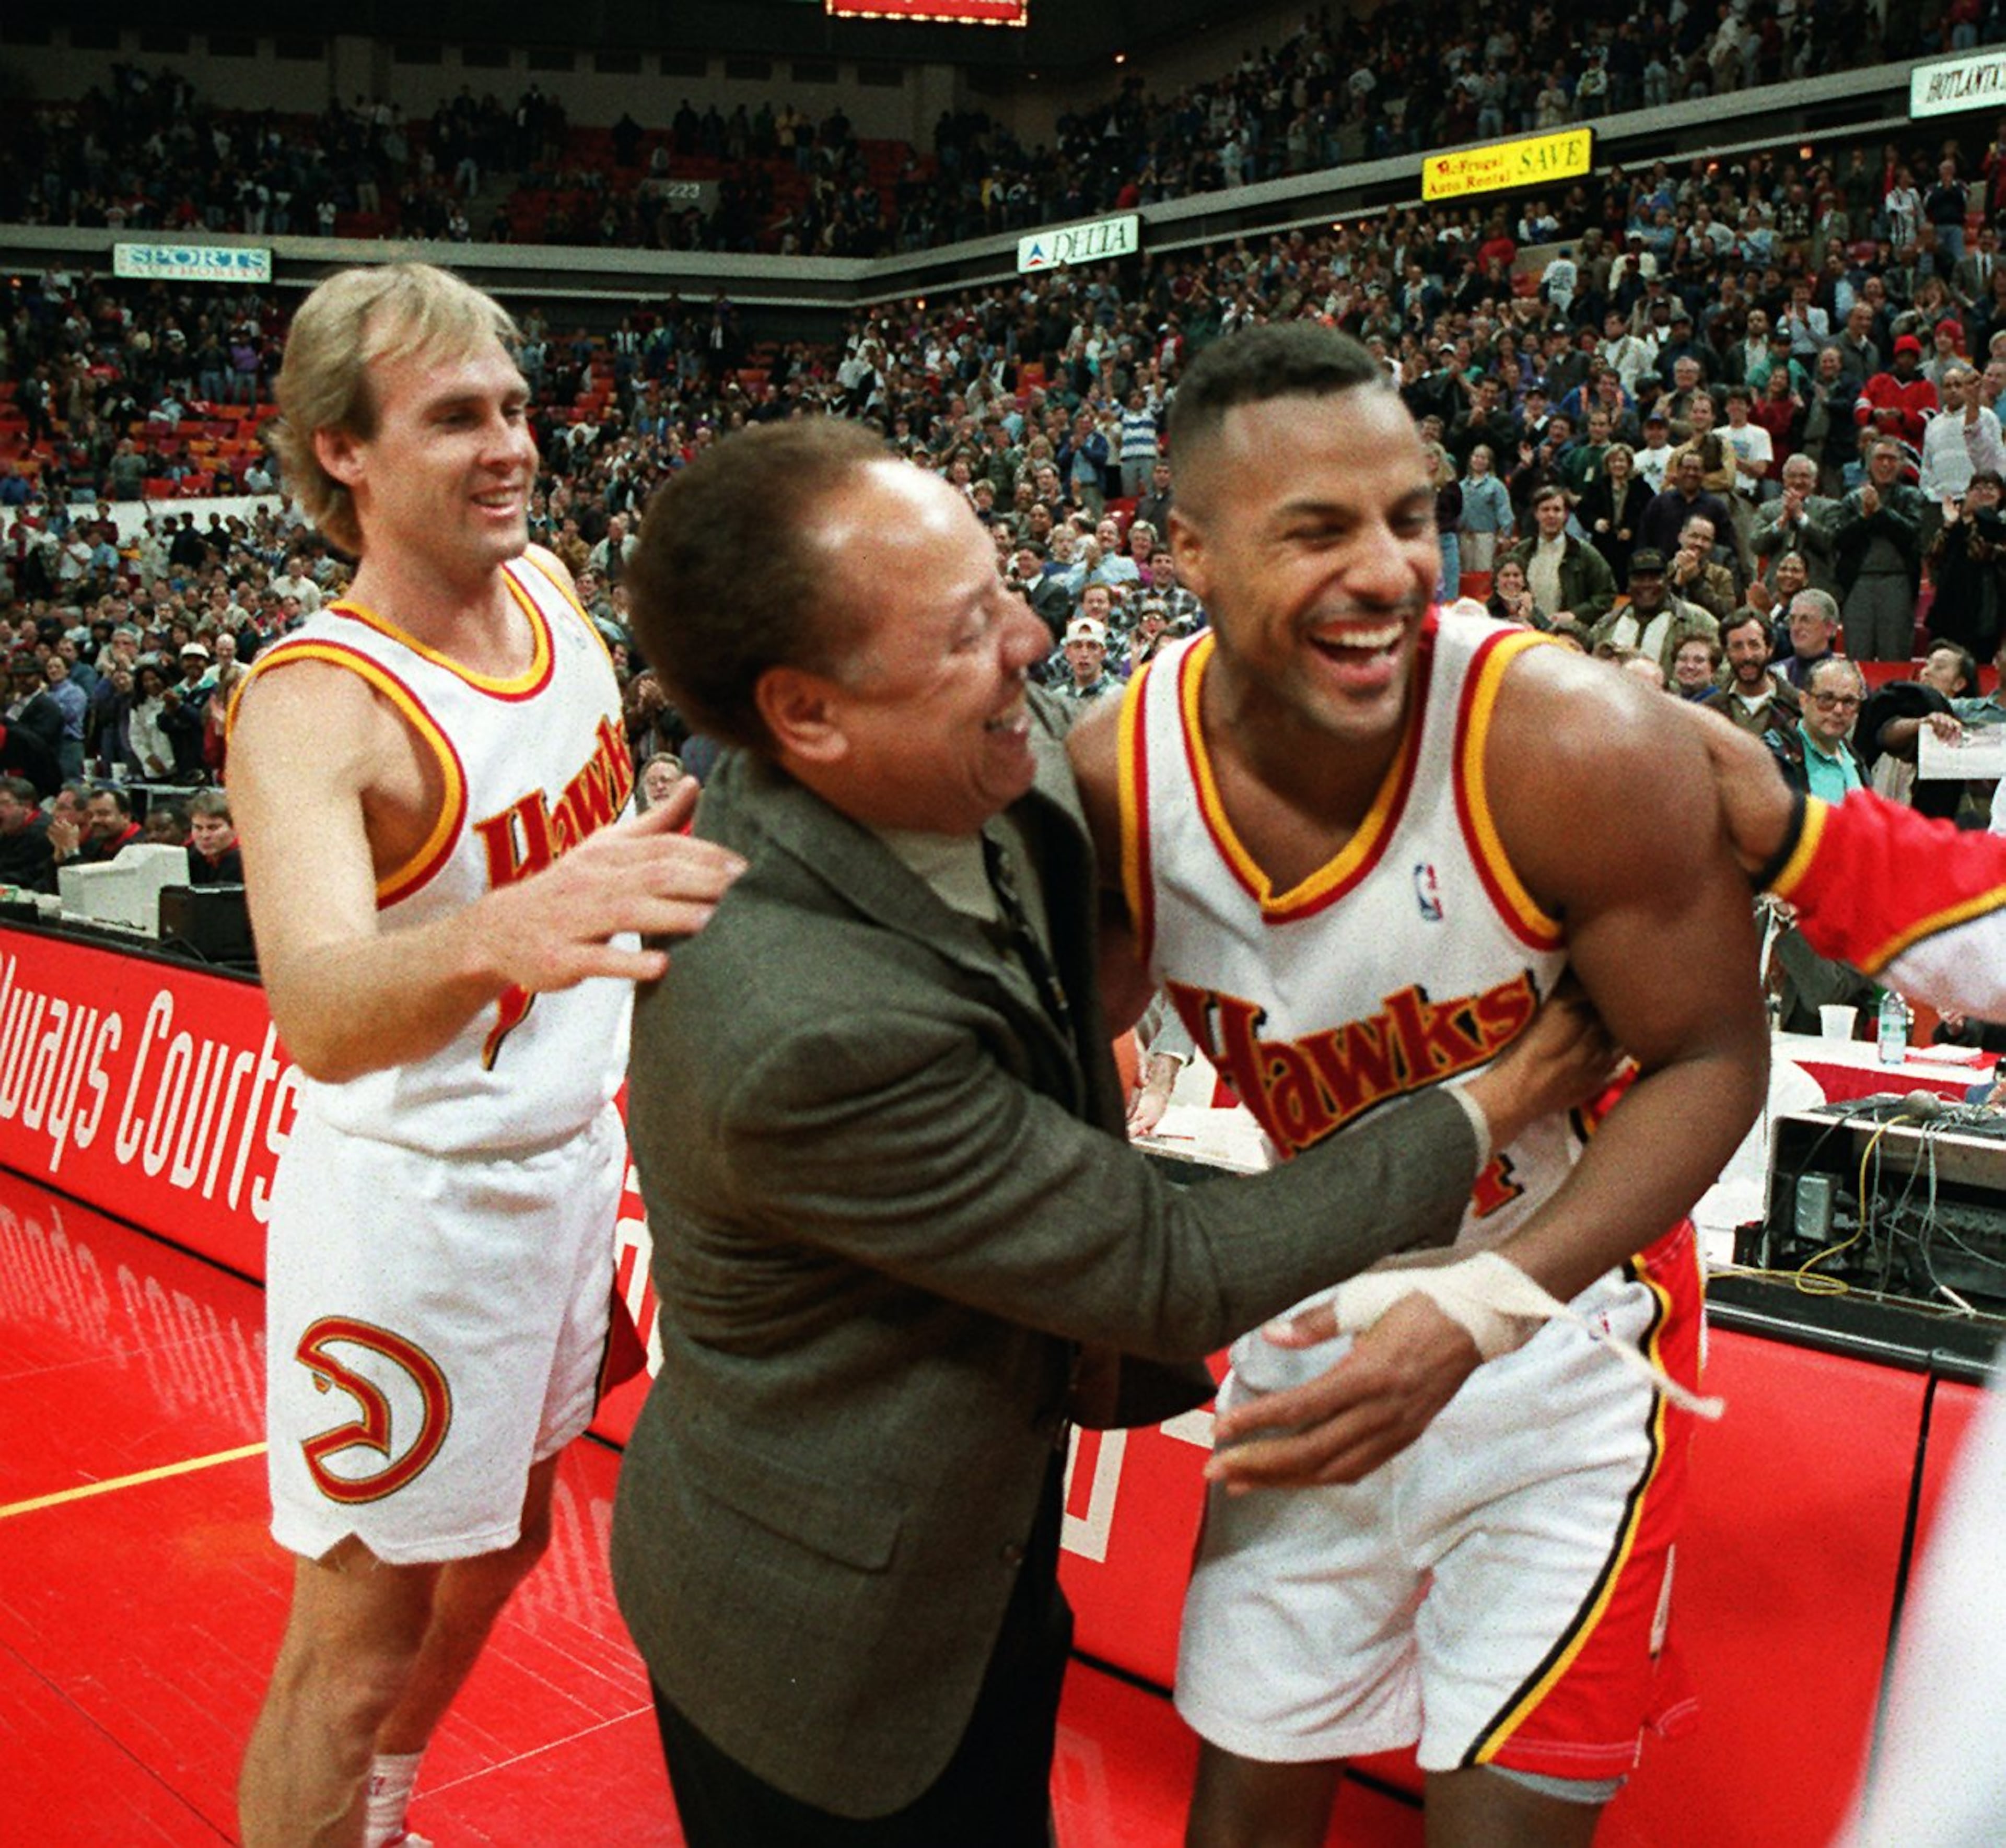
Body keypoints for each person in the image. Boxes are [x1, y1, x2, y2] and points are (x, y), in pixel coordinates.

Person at [607, 416, 1608, 1848]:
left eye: (1005, 587)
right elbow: (1162, 1262)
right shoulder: (798, 1026)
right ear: (808, 712)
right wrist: (1491, 1096)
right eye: (964, 632)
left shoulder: (976, 783)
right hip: (823, 1647)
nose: (1029, 637)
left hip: (970, 1547)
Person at [1069, 324, 1766, 1848]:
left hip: (1562, 1336)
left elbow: (1713, 1058)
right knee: (1234, 1823)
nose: (1385, 568)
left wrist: (1479, 1308)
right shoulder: (1118, 771)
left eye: (1407, 514)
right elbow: (1060, 1050)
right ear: (1183, 546)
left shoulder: (1572, 741)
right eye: (1313, 529)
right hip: (1311, 1314)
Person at [227, 263, 745, 1848]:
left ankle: (381, 1807)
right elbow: (316, 1010)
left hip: (566, 1164)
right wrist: (501, 929)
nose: (511, 444)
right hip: (413, 1213)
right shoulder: (313, 705)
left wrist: (631, 866)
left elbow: (565, 865)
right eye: (456, 418)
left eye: (515, 407)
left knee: (515, 1532)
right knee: (348, 1642)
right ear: (343, 452)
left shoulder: (550, 601)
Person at [185, 787, 244, 882]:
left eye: (213, 828)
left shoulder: (247, 861)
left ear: (234, 828)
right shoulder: (190, 855)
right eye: (198, 828)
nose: (205, 836)